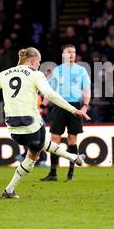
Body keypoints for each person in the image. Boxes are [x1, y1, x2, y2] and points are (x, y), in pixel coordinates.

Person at [0, 47, 90, 199]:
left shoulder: (3, 74)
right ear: (33, 61)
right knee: (38, 146)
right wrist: (73, 110)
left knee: (34, 153)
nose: (39, 65)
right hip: (31, 123)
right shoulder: (36, 74)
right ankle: (73, 158)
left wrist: (6, 92)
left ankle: (9, 190)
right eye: (39, 62)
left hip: (13, 128)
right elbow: (50, 94)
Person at [40, 44, 91, 182]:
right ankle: (53, 173)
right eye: (68, 52)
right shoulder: (58, 71)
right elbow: (50, 91)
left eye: (73, 52)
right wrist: (42, 105)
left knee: (72, 139)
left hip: (74, 106)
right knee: (54, 139)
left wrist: (85, 105)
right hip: (59, 106)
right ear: (63, 55)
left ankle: (71, 173)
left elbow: (86, 90)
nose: (71, 54)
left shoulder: (81, 71)